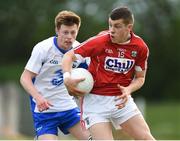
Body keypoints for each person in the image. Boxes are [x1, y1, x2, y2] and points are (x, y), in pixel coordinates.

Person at [62, 6, 155, 140]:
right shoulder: (100, 41)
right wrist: (67, 77)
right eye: (110, 25)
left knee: (146, 138)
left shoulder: (140, 48)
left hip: (121, 101)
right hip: (95, 102)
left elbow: (140, 78)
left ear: (129, 27)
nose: (112, 30)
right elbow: (68, 56)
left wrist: (128, 89)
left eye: (117, 26)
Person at [20, 10, 90, 140]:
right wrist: (38, 97)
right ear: (57, 30)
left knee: (92, 138)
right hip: (45, 111)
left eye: (73, 32)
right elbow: (25, 78)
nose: (69, 37)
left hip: (69, 107)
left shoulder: (80, 51)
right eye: (65, 32)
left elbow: (88, 76)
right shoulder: (43, 49)